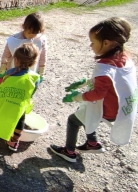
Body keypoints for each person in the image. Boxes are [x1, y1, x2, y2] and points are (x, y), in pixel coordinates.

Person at [50, 17, 137, 163]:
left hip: (106, 109)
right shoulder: (124, 58)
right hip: (120, 107)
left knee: (73, 120)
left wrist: (77, 96)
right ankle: (92, 143)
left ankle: (69, 151)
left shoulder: (104, 66)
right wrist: (86, 82)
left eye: (93, 42)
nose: (90, 45)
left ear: (106, 43)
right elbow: (111, 81)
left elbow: (97, 94)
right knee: (84, 115)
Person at [0, 43, 42, 151]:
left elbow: (3, 87)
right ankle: (14, 141)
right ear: (34, 61)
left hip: (5, 101)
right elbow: (31, 93)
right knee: (20, 120)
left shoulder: (10, 73)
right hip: (19, 105)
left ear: (16, 59)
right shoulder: (35, 78)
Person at [0, 12, 47, 82]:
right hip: (13, 72)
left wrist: (41, 71)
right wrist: (2, 69)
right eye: (29, 33)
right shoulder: (14, 40)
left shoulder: (40, 40)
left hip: (31, 73)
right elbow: (6, 56)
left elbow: (43, 57)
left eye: (35, 34)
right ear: (24, 27)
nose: (31, 36)